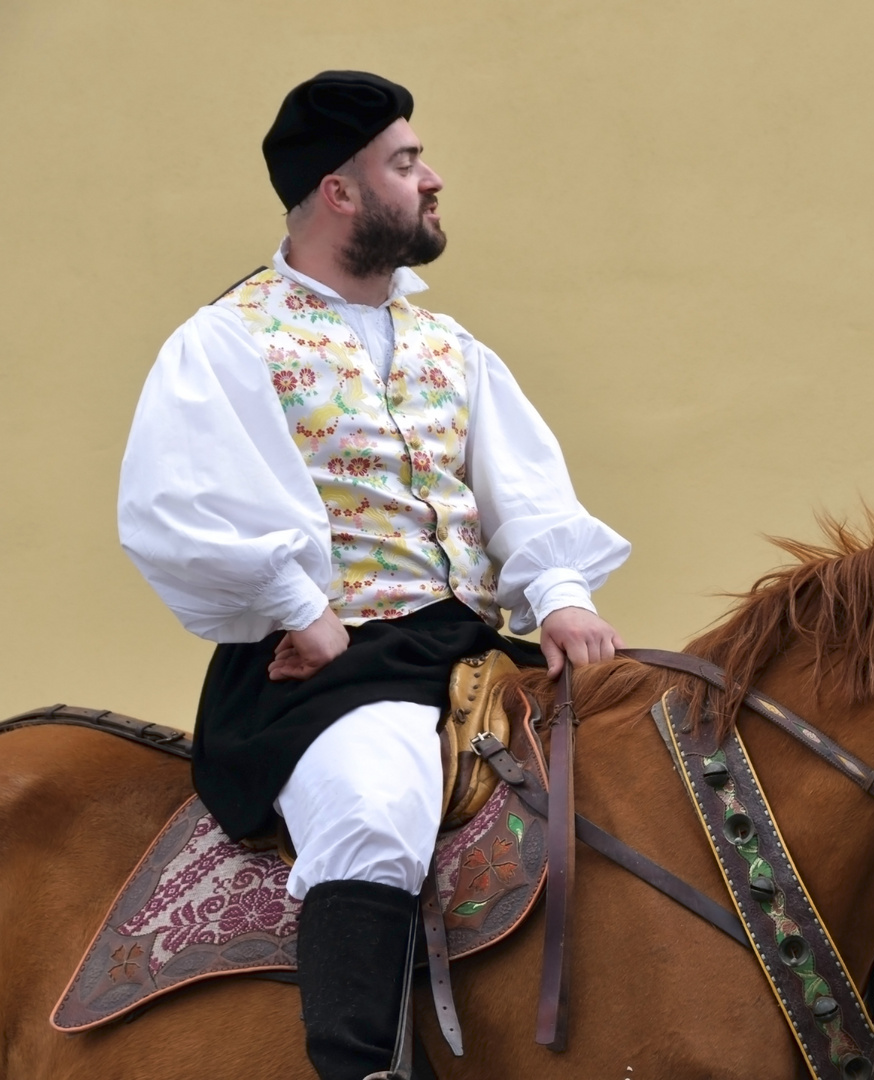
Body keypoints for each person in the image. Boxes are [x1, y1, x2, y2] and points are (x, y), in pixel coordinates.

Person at [118, 71, 631, 1079]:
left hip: (473, 651)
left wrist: (563, 595)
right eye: (405, 162)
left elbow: (521, 489)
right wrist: (297, 610)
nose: (432, 179)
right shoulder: (229, 340)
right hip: (327, 672)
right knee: (371, 808)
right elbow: (177, 508)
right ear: (339, 191)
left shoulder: (452, 348)